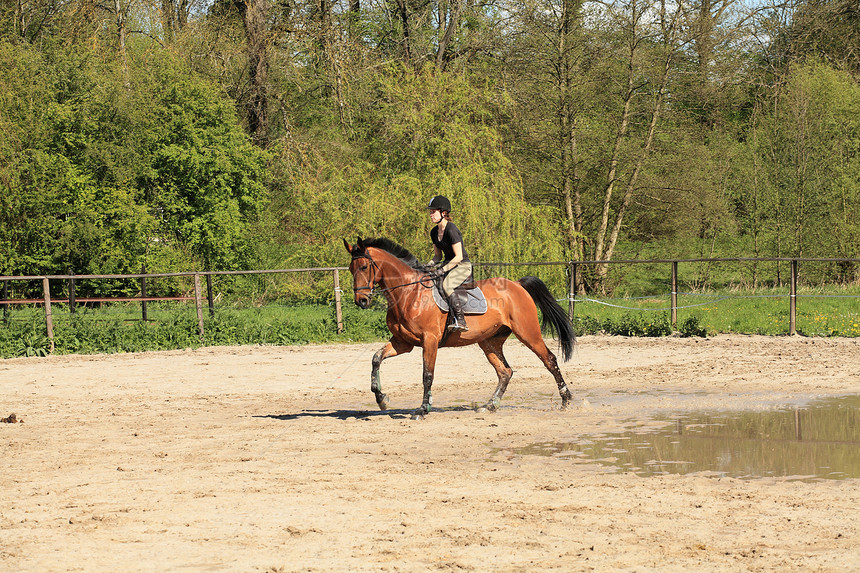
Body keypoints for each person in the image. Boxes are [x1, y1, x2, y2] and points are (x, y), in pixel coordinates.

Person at [425, 195, 472, 332]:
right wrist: (427, 266)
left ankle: (461, 320)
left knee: (447, 285)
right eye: (430, 212)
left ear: (443, 213)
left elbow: (458, 257)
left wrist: (442, 270)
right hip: (448, 265)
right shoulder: (434, 232)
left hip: (462, 265)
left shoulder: (451, 229)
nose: (431, 215)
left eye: (433, 211)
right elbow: (437, 256)